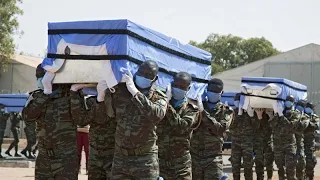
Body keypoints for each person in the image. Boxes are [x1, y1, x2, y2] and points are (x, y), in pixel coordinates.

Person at [23, 64, 105, 179]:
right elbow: (28, 116)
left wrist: (74, 92)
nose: (40, 81)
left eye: (42, 77)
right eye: (38, 77)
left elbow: (81, 120)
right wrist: (46, 93)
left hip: (66, 159)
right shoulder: (37, 95)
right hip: (44, 159)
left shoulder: (70, 93)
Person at [110, 60, 167, 179]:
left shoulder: (159, 96)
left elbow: (157, 115)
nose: (144, 76)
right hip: (121, 157)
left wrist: (135, 93)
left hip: (145, 159)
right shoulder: (121, 90)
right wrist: (102, 94)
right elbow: (109, 113)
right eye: (141, 73)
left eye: (148, 75)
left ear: (155, 79)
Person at [157, 72, 200, 179]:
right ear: (171, 85)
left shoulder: (191, 109)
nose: (178, 88)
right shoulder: (159, 103)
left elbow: (182, 127)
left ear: (188, 88)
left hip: (181, 165)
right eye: (176, 86)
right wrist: (164, 101)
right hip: (160, 163)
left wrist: (167, 105)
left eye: (182, 87)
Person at [190, 78, 233, 180]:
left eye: (216, 91)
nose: (213, 93)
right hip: (194, 157)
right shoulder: (196, 107)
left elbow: (219, 129)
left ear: (222, 92)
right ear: (206, 90)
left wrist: (203, 112)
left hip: (213, 159)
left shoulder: (226, 111)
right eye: (211, 90)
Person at [85, 90, 117, 180]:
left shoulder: (117, 102)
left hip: (112, 154)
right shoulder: (90, 102)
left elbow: (110, 115)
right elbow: (82, 120)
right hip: (95, 154)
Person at [270, 95, 300, 180]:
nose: (288, 102)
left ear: (293, 103)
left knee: (290, 168)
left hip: (289, 144)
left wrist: (281, 116)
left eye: (290, 100)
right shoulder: (279, 111)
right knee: (280, 168)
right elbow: (271, 125)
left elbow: (290, 126)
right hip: (278, 144)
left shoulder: (296, 114)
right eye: (287, 100)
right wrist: (277, 114)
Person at [229, 93, 257, 180]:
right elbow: (230, 126)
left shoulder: (249, 111)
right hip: (235, 142)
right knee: (235, 165)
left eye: (239, 100)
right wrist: (239, 115)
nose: (237, 102)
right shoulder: (231, 112)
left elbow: (256, 127)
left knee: (248, 165)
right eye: (236, 100)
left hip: (247, 143)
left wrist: (252, 116)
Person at [253, 108, 274, 180]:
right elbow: (254, 128)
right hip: (258, 142)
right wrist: (259, 117)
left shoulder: (271, 113)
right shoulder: (254, 114)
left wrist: (271, 117)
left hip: (268, 142)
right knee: (259, 162)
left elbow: (273, 128)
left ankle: (269, 177)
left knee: (269, 161)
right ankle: (259, 178)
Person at [295, 100, 310, 180]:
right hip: (289, 142)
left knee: (301, 161)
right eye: (299, 105)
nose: (299, 107)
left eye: (301, 106)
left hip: (299, 142)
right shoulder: (291, 114)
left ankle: (301, 177)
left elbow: (301, 127)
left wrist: (297, 117)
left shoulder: (305, 117)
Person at [303, 102, 319, 180]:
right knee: (300, 162)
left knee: (311, 161)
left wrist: (308, 122)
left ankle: (310, 176)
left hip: (310, 144)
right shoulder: (301, 115)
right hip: (300, 142)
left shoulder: (314, 117)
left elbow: (316, 126)